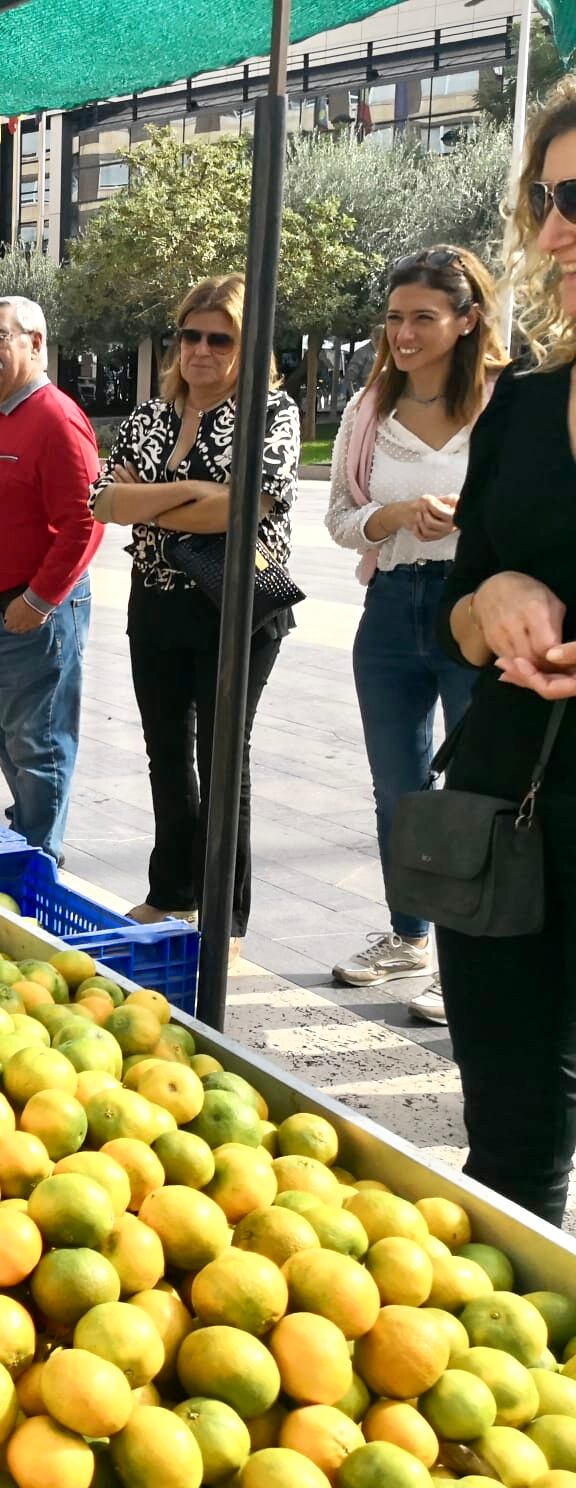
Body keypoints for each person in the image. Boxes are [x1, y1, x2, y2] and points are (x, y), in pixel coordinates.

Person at [431, 83, 576, 1221]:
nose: (547, 232)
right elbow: (459, 612)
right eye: (541, 198)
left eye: (573, 198)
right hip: (503, 822)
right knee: (510, 1144)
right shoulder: (523, 409)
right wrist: (497, 594)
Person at [91, 274, 301, 953]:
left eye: (221, 337)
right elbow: (105, 502)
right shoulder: (150, 415)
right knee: (163, 754)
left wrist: (152, 497)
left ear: (247, 346)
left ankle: (223, 914)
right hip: (155, 601)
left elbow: (244, 507)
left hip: (233, 605)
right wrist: (195, 496)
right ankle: (170, 892)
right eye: (191, 334)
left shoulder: (271, 413)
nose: (202, 349)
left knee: (221, 754)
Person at [324, 247, 505, 1024]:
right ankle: (408, 934)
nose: (404, 333)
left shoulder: (510, 403)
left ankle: (465, 953)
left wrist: (473, 519)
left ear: (466, 322)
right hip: (393, 607)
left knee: (475, 791)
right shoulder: (371, 411)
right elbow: (338, 516)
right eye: (395, 318)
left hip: (478, 611)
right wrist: (389, 518)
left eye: (423, 318)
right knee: (397, 787)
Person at [0, 296, 102, 861]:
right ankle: (28, 832)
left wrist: (39, 598)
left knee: (38, 745)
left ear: (36, 344)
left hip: (30, 621)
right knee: (7, 735)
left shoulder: (55, 418)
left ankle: (39, 858)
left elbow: (87, 521)